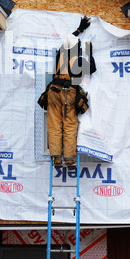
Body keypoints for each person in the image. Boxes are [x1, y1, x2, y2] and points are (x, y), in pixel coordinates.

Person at [38, 16, 96, 169]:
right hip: (69, 93)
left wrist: (79, 29)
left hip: (53, 91)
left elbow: (68, 40)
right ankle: (69, 160)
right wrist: (90, 52)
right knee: (69, 126)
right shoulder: (78, 61)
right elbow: (92, 69)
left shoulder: (60, 55)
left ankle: (57, 158)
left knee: (54, 125)